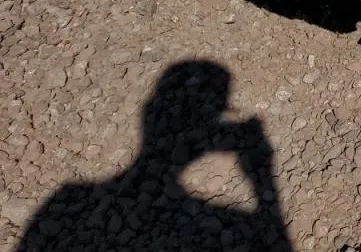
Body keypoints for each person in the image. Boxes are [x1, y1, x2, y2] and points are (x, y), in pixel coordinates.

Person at [17, 60, 292, 252]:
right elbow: (278, 240)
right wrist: (263, 176)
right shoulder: (237, 219)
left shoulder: (68, 199)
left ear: (149, 113)